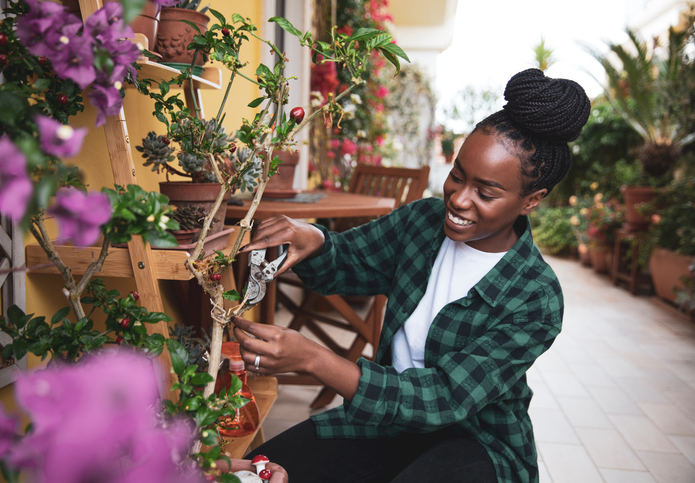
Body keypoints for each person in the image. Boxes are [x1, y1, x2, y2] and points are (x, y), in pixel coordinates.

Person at [233, 68, 591, 483]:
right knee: (256, 470)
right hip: (387, 422)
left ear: (531, 200)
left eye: (486, 192)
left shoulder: (535, 295)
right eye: (457, 175)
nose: (458, 198)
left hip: (475, 443)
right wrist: (311, 237)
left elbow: (442, 398)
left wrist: (315, 358)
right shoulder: (423, 222)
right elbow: (348, 260)